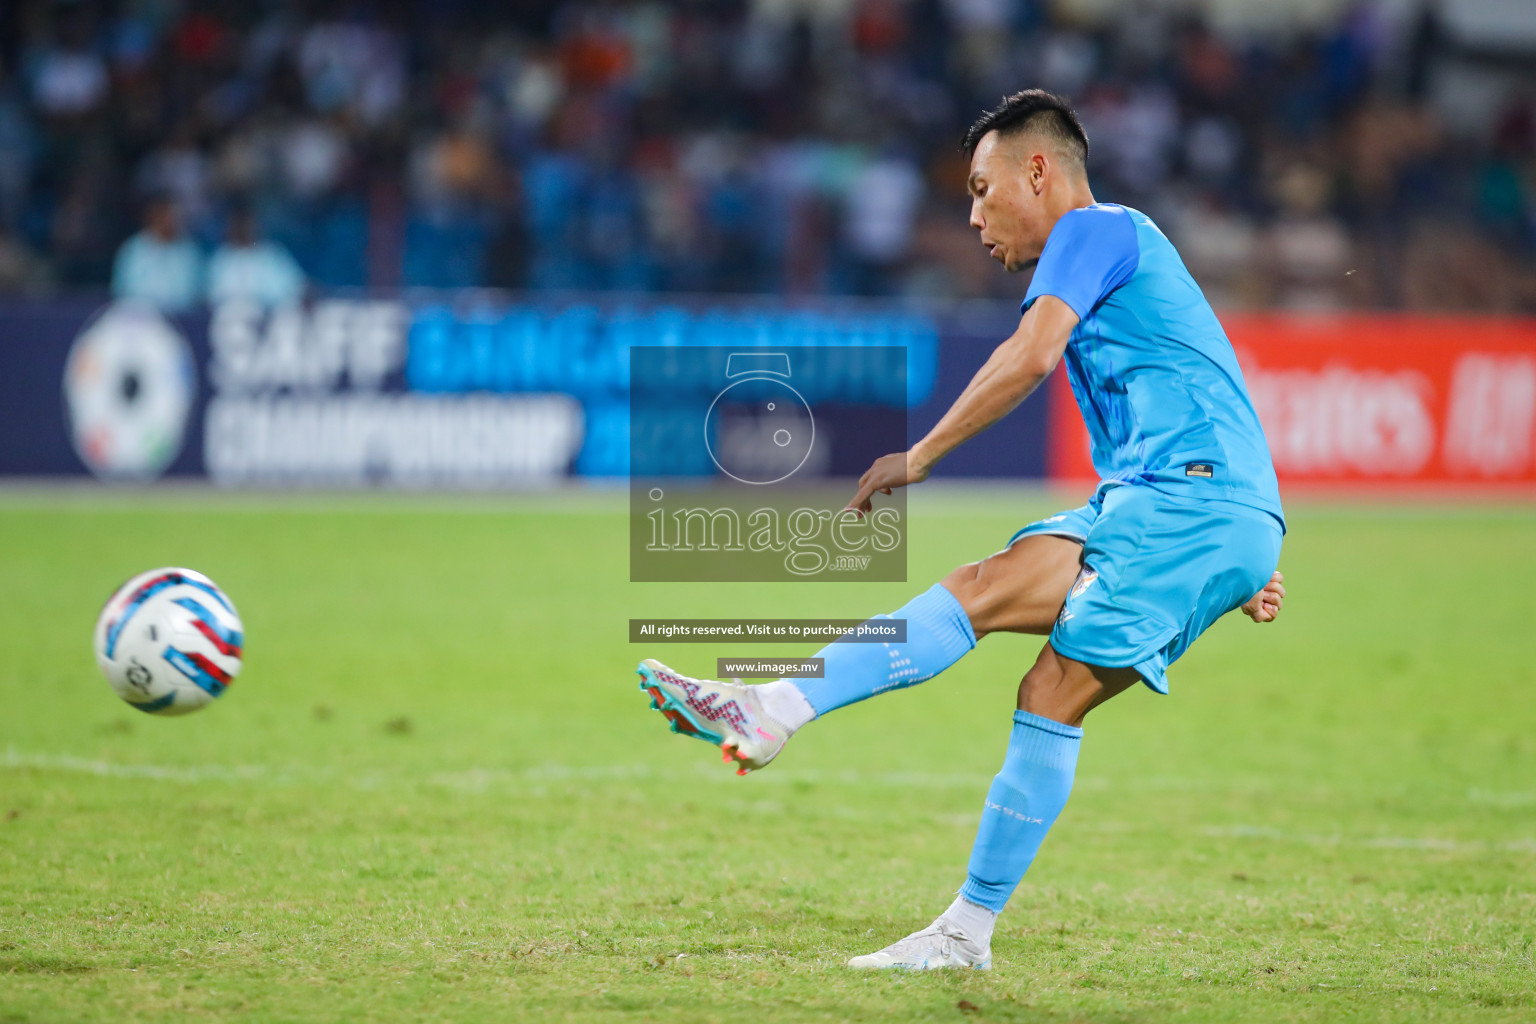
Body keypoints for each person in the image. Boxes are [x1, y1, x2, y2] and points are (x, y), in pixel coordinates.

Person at [635, 90, 1288, 971]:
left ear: (1039, 171)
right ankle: (771, 710)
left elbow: (1031, 356)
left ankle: (960, 932)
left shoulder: (1094, 231)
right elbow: (1208, 387)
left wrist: (925, 453)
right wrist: (1241, 553)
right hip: (1176, 506)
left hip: (1189, 505)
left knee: (1050, 689)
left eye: (983, 190)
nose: (975, 217)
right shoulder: (1118, 256)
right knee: (984, 586)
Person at [110, 196, 203, 312]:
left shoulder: (189, 251)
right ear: (152, 217)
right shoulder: (133, 249)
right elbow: (122, 290)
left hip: (180, 318)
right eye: (164, 215)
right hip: (139, 317)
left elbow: (193, 293)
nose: (168, 221)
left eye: (172, 216)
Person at [206, 206, 306, 308]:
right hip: (231, 314)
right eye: (239, 225)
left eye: (247, 225)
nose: (243, 229)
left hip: (272, 314)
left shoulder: (272, 253)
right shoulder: (222, 256)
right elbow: (213, 296)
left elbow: (295, 288)